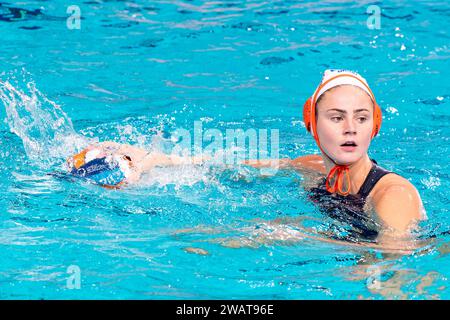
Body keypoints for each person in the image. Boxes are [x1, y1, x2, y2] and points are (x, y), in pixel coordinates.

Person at [246, 69, 426, 238]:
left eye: (362, 118)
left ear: (375, 125)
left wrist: (297, 234)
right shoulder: (313, 168)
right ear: (312, 124)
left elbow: (394, 260)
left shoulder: (393, 195)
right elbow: (274, 164)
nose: (351, 129)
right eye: (337, 118)